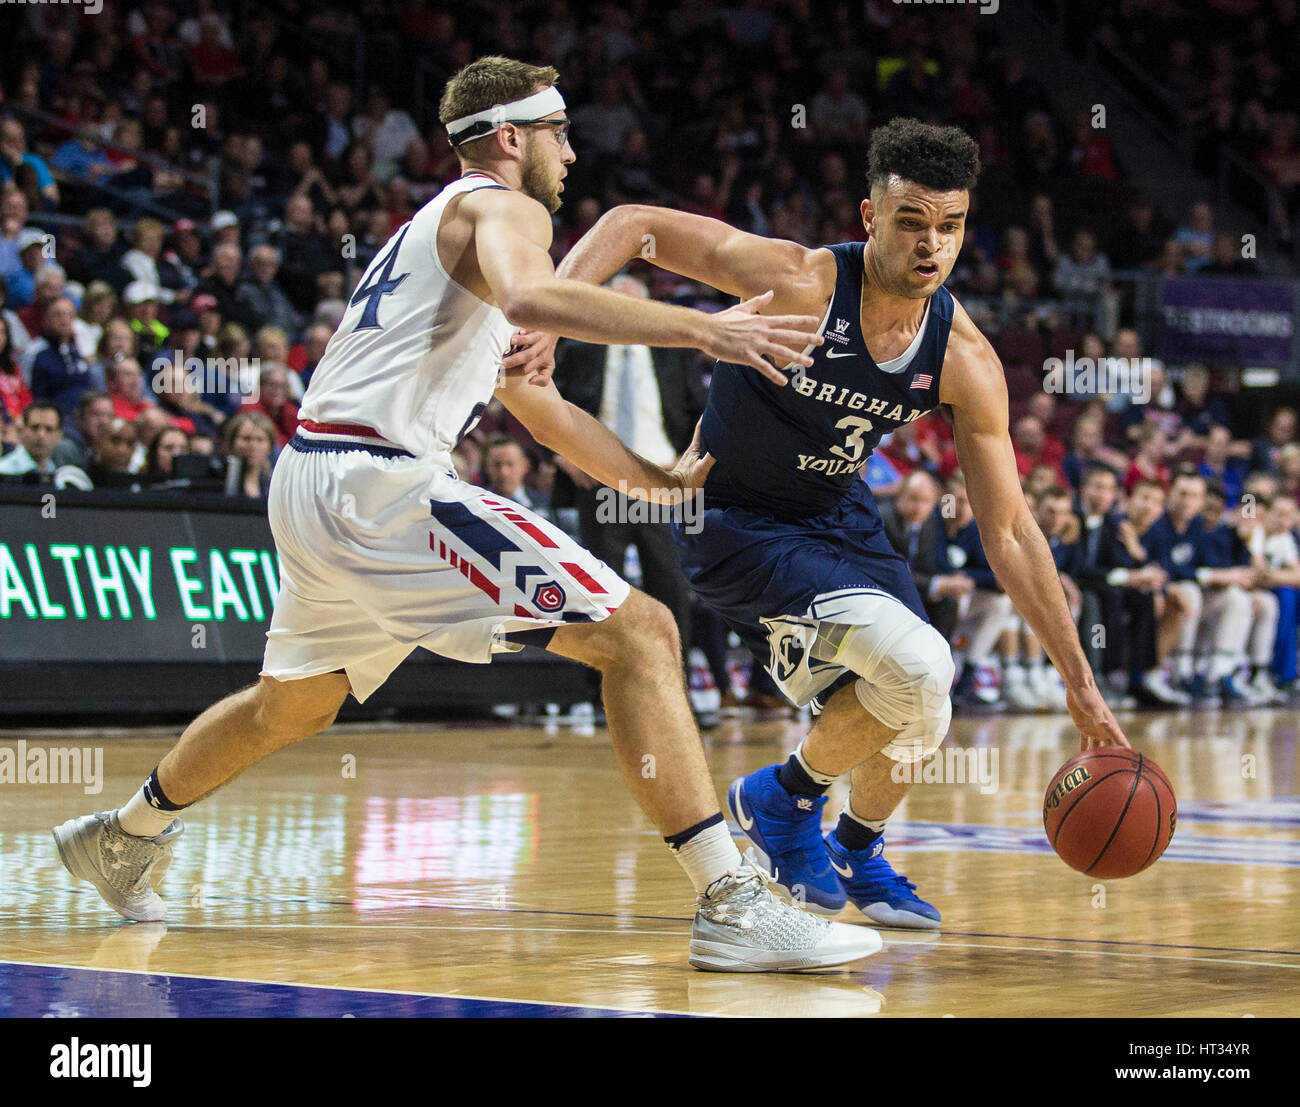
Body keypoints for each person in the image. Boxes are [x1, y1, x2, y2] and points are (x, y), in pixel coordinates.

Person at [54, 56, 876, 975]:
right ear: (511, 137)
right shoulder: (503, 209)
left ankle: (122, 834)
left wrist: (653, 481)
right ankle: (731, 903)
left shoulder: (447, 241)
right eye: (560, 133)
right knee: (641, 634)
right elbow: (534, 298)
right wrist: (704, 327)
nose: (572, 154)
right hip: (380, 483)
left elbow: (538, 406)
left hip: (313, 477)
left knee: (295, 702)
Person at [525, 117, 1130, 929]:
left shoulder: (964, 358)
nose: (931, 244)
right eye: (911, 221)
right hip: (733, 517)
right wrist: (547, 316)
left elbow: (1013, 532)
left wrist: (1082, 688)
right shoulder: (801, 282)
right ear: (869, 216)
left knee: (929, 698)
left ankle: (855, 843)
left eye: (950, 226)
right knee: (919, 663)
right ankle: (783, 799)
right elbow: (634, 226)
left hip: (835, 513)